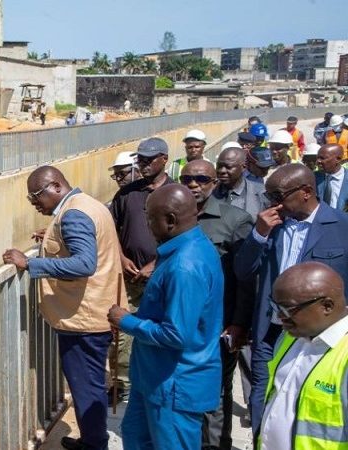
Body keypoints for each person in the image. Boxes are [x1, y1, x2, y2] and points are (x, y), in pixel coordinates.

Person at [2, 166, 124, 450]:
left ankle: (95, 445)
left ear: (55, 186)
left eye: (35, 198)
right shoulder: (88, 205)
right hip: (97, 311)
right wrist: (51, 238)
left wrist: (29, 263)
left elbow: (84, 264)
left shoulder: (74, 215)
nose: (34, 205)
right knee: (89, 385)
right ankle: (93, 440)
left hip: (84, 319)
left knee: (86, 387)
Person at [234, 164, 348, 437]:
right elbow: (243, 271)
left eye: (278, 196)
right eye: (268, 196)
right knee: (262, 394)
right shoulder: (269, 226)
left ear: (306, 192)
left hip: (315, 336)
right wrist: (259, 234)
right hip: (271, 330)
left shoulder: (341, 227)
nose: (272, 204)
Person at [108, 184, 223, 450]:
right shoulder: (181, 251)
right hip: (152, 378)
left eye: (150, 219)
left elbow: (176, 334)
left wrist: (126, 321)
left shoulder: (186, 265)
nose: (147, 225)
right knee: (135, 436)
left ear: (170, 220)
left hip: (174, 385)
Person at [180, 160, 254, 450]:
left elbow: (246, 280)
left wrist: (239, 323)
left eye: (200, 178)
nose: (193, 184)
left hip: (217, 325)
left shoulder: (235, 220)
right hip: (180, 323)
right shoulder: (175, 217)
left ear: (214, 182)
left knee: (215, 394)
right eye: (187, 178)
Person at [108, 137, 174, 401]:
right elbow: (111, 230)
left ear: (164, 160)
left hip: (164, 277)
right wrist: (121, 258)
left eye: (150, 160)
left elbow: (184, 236)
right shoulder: (126, 194)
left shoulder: (175, 193)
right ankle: (123, 385)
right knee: (124, 331)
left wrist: (155, 264)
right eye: (141, 160)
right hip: (129, 277)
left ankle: (156, 380)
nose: (144, 164)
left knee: (159, 329)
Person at [257, 262, 348, 450]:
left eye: (287, 309)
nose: (279, 317)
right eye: (276, 307)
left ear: (327, 306)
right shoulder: (290, 338)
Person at [214, 147, 267, 220]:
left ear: (243, 167)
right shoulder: (209, 191)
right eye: (219, 166)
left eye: (228, 167)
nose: (222, 171)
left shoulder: (261, 194)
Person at [316, 144, 348, 211]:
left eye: (322, 158)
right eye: (317, 158)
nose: (318, 161)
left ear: (338, 159)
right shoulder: (313, 177)